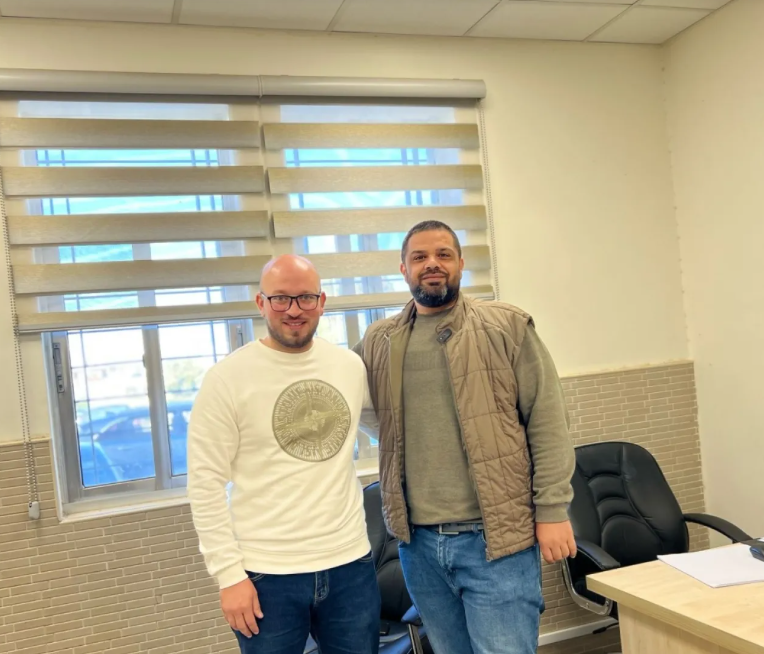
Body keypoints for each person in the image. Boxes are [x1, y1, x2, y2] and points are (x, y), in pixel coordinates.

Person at [353, 221, 576, 654]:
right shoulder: (380, 340)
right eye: (419, 257)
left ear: (460, 263)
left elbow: (548, 421)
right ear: (403, 269)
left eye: (443, 254)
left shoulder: (507, 326)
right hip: (418, 546)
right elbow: (361, 407)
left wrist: (552, 509)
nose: (431, 264)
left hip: (496, 542)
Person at [187, 254, 380, 654]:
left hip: (350, 565)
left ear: (322, 302)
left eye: (305, 297)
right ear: (261, 303)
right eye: (280, 298)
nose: (294, 310)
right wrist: (229, 576)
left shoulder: (348, 366)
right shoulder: (227, 379)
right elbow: (205, 484)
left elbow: (386, 429)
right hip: (266, 575)